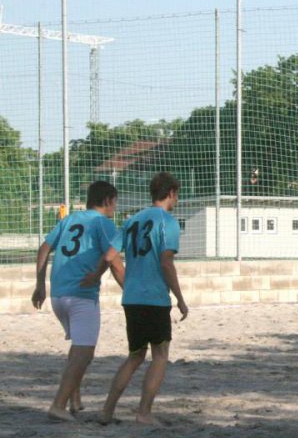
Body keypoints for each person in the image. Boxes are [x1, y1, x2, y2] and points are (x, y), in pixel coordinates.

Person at [99, 172, 189, 425]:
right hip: (155, 298)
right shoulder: (167, 222)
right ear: (171, 193)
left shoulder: (131, 220)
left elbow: (109, 257)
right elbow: (166, 263)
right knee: (160, 355)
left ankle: (107, 411)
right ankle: (144, 413)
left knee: (135, 355)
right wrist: (180, 299)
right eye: (177, 194)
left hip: (132, 298)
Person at [31, 180, 122, 422]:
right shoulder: (104, 223)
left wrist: (39, 284)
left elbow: (43, 249)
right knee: (85, 352)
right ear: (107, 201)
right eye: (114, 202)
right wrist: (129, 288)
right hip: (81, 295)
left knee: (78, 347)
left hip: (58, 295)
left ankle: (74, 399)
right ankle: (58, 405)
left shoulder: (70, 219)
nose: (115, 207)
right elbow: (113, 260)